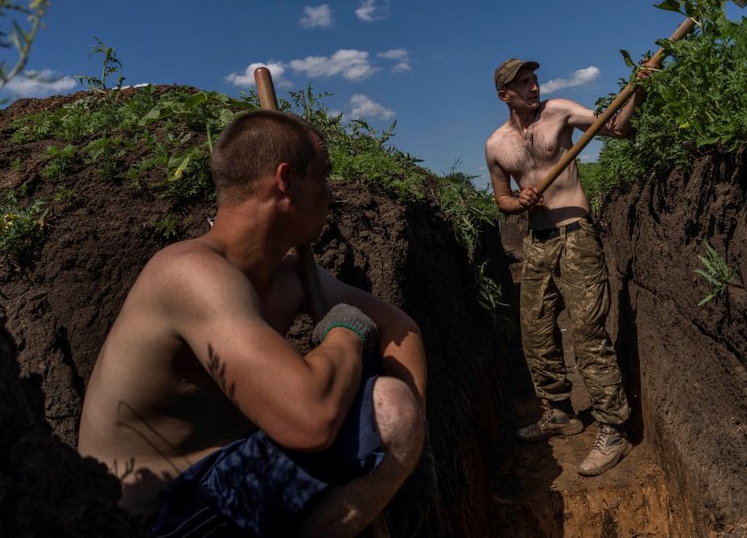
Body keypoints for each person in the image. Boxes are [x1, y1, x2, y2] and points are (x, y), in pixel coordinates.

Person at [78, 109, 427, 537]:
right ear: (286, 182)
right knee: (388, 408)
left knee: (394, 408)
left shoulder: (287, 275)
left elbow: (399, 328)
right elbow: (309, 421)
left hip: (228, 475)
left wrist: (407, 455)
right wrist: (345, 334)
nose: (331, 194)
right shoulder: (191, 275)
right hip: (159, 521)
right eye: (324, 175)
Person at [485, 57, 645, 476]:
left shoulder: (560, 112)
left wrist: (638, 90)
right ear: (505, 95)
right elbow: (502, 201)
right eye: (523, 83)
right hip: (537, 243)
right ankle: (558, 412)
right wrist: (518, 202)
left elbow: (618, 128)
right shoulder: (496, 145)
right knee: (536, 333)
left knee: (589, 333)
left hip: (576, 235)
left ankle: (614, 427)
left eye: (534, 79)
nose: (534, 88)